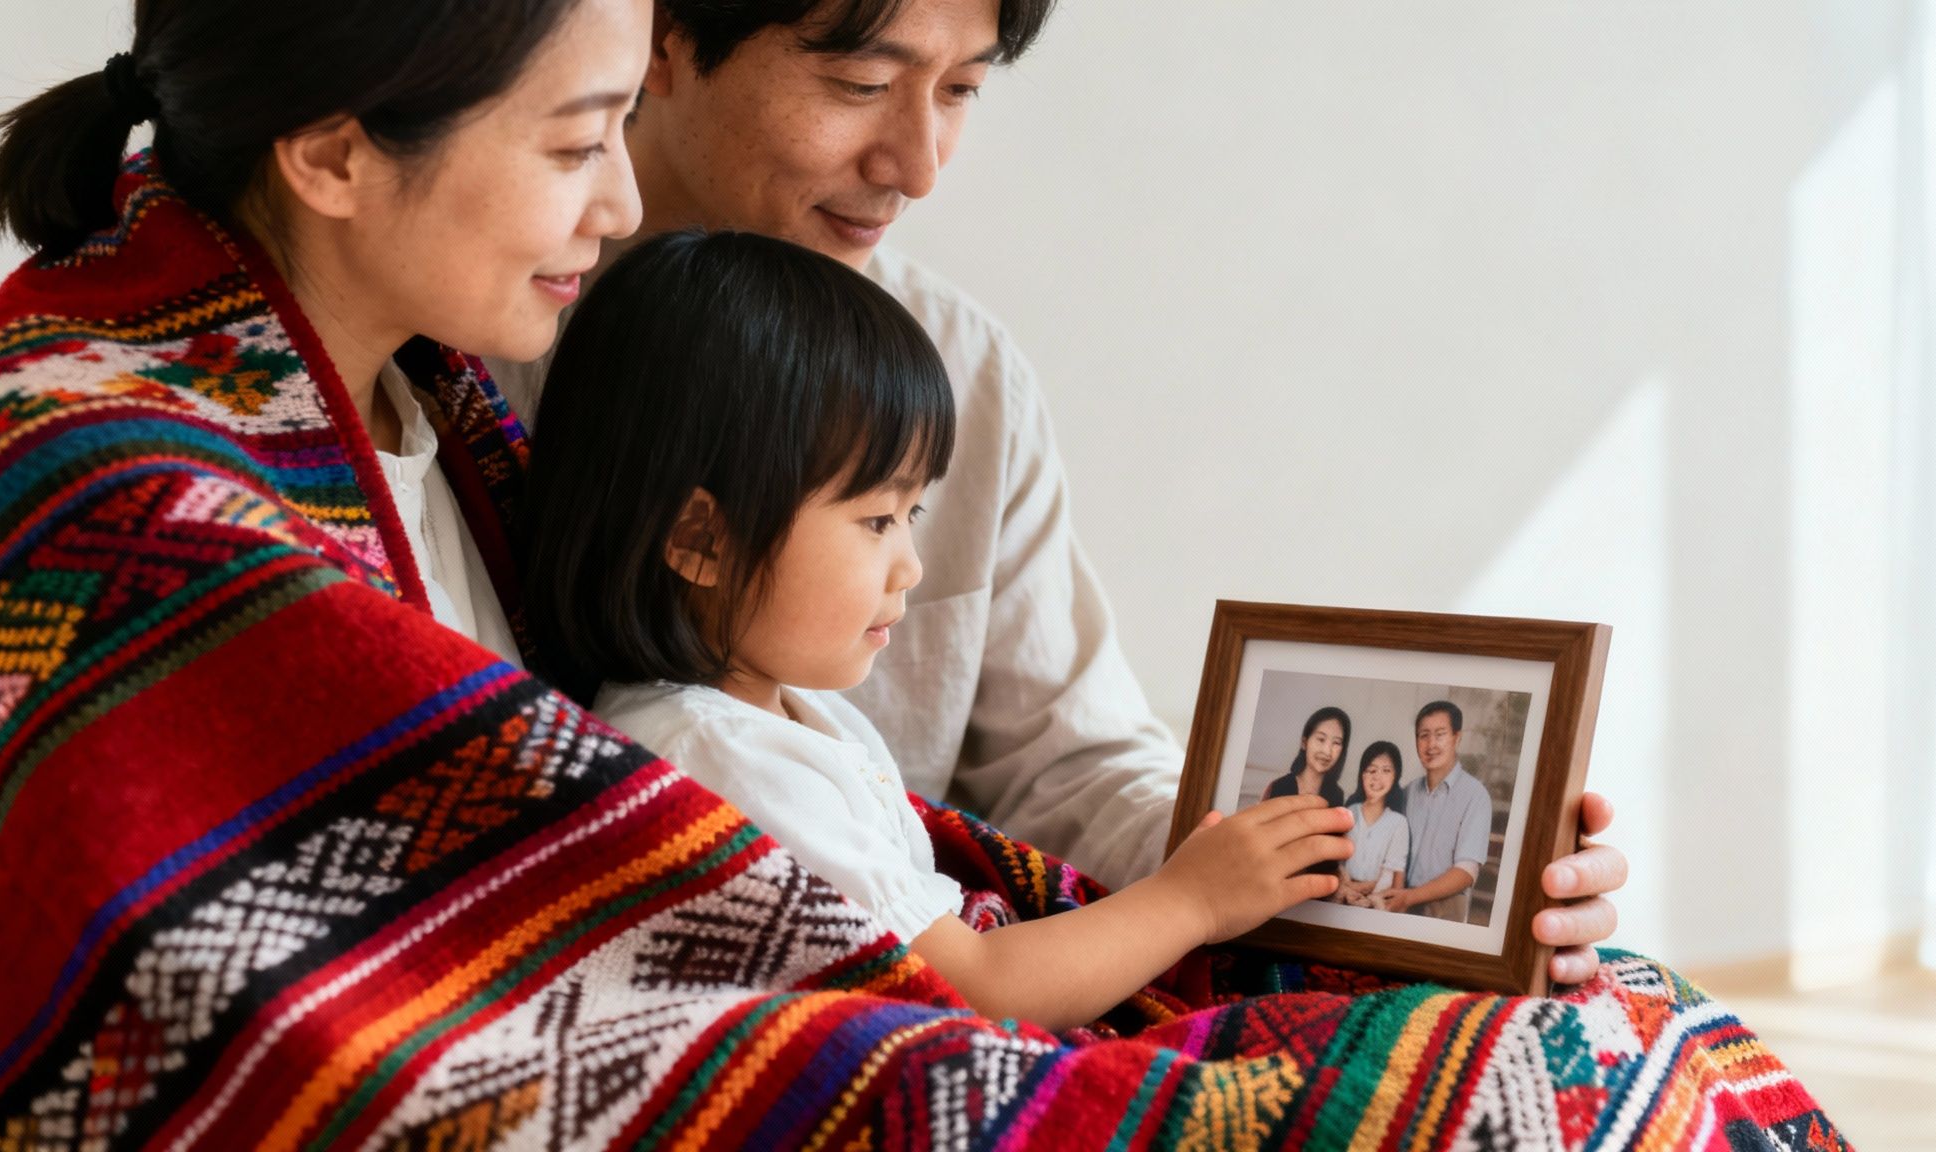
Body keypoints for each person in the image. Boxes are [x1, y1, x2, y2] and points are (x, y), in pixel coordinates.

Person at [483, 0, 1630, 986]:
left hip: (1026, 956)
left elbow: (1074, 763)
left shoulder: (958, 377)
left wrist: (1339, 888)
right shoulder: (467, 353)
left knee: (1618, 1018)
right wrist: (1197, 900)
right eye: (860, 80)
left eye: (963, 90)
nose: (917, 164)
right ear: (663, 39)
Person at [521, 229, 1357, 1031]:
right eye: (878, 519)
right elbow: (974, 990)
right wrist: (1191, 900)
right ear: (701, 540)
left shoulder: (787, 715)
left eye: (912, 514)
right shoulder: (718, 760)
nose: (912, 566)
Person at [1379, 700, 1494, 922]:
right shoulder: (1408, 792)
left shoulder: (1475, 795)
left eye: (1440, 734)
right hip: (1399, 903)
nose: (1431, 744)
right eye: (1423, 735)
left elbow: (1466, 872)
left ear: (1456, 738)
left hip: (1445, 910)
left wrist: (1410, 897)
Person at [1335, 740, 1411, 909]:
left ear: (1395, 777)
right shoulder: (1349, 812)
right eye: (1372, 770)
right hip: (1341, 896)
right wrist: (1346, 888)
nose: (1377, 777)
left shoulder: (1399, 823)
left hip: (1377, 901)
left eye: (1386, 771)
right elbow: (1336, 861)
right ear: (1363, 774)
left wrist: (1365, 891)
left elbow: (1396, 877)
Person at [1260, 705, 1350, 807]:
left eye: (1336, 743)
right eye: (1321, 739)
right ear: (1304, 742)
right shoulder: (1279, 787)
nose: (1327, 751)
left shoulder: (1337, 796)